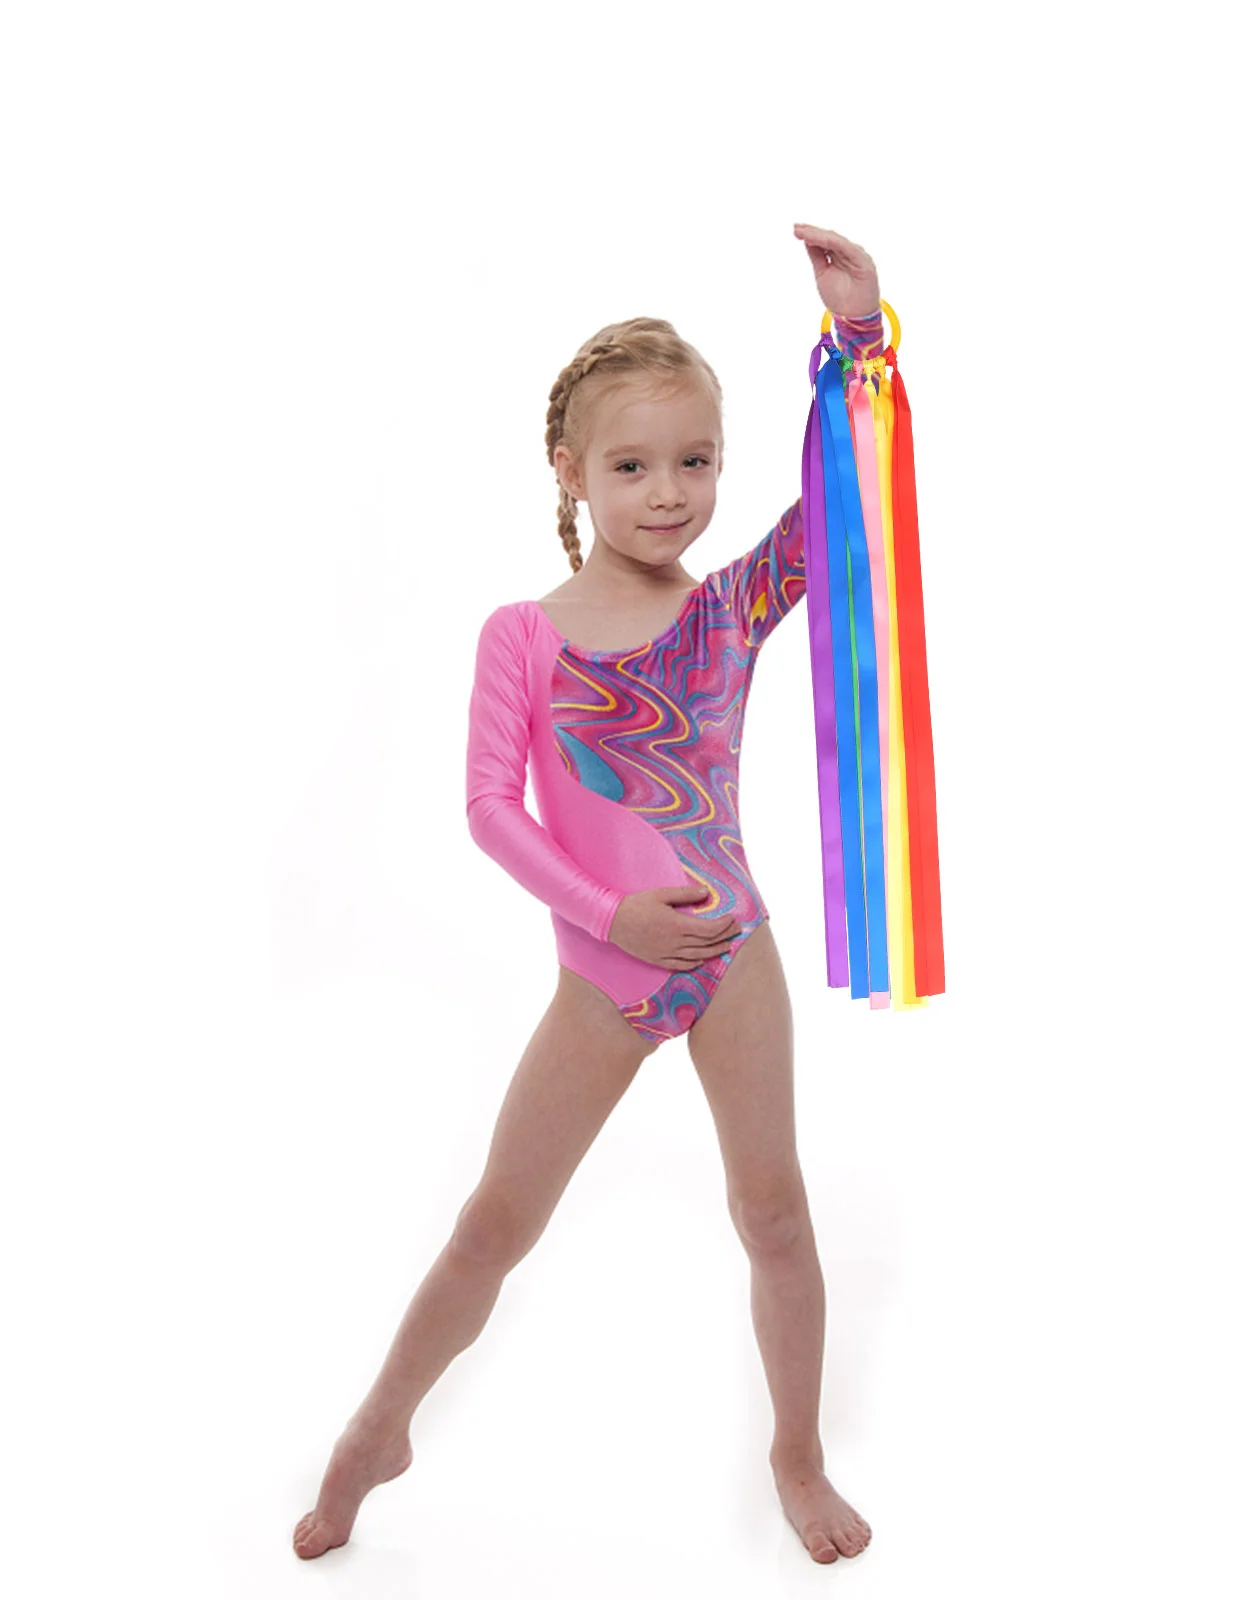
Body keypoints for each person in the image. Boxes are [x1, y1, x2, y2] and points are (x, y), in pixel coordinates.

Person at [293, 223, 884, 1566]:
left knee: (775, 1212)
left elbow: (843, 504)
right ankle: (379, 1427)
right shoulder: (525, 635)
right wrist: (610, 918)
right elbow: (490, 808)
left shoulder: (730, 608)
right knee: (496, 1222)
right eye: (632, 465)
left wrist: (856, 337)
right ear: (570, 470)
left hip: (731, 956)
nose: (669, 492)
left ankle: (797, 1452)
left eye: (696, 461)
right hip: (605, 975)